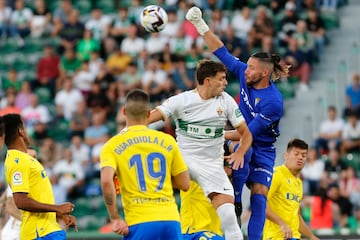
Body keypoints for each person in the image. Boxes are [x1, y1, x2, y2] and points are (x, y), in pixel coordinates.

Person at [185, 6, 289, 240]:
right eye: (247, 66)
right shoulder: (245, 73)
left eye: (251, 68)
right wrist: (200, 25)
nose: (245, 70)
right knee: (244, 152)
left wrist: (215, 136)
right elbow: (220, 52)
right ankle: (236, 199)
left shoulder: (273, 102)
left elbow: (249, 134)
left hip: (261, 145)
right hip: (241, 139)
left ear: (263, 74)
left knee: (260, 197)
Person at [148, 59, 252, 240]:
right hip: (189, 172)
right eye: (221, 78)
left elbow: (246, 134)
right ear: (207, 81)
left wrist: (240, 151)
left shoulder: (226, 101)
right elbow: (150, 117)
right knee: (198, 230)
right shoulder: (182, 100)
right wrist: (128, 128)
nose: (226, 83)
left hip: (214, 169)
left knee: (228, 219)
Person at [99, 89, 190, 239]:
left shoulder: (112, 145)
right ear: (149, 113)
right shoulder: (168, 140)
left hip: (140, 221)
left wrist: (114, 217)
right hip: (171, 220)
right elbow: (185, 184)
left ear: (124, 112)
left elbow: (106, 180)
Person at [3, 113, 77, 239]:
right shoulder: (17, 161)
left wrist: (59, 213)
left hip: (48, 228)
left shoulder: (25, 159)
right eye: (25, 127)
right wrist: (57, 208)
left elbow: (37, 197)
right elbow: (21, 201)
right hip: (39, 232)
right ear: (21, 131)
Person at [263, 138, 319, 240]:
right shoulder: (277, 174)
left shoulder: (299, 183)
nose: (300, 158)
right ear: (286, 155)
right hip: (276, 237)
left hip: (294, 237)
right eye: (296, 154)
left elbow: (296, 216)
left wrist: (311, 236)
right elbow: (261, 204)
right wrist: (282, 224)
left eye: (303, 155)